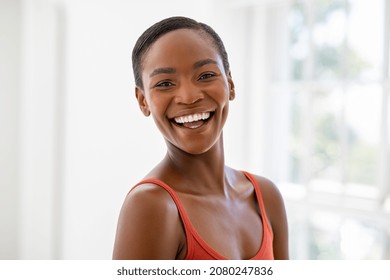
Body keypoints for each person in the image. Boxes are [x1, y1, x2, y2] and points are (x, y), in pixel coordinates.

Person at [112, 16, 289, 260]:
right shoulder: (151, 205)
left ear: (230, 83)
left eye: (205, 76)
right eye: (165, 83)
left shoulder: (266, 197)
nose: (188, 96)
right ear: (143, 101)